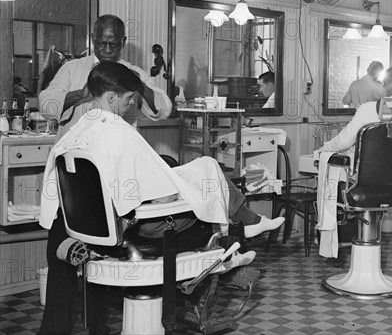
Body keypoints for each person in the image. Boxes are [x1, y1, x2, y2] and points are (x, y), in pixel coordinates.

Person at [38, 62, 284, 335]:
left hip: (84, 230)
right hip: (138, 231)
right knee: (207, 183)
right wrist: (177, 191)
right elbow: (164, 196)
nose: (131, 105)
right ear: (111, 98)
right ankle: (232, 245)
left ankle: (240, 234)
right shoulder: (118, 132)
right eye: (129, 99)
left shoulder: (75, 134)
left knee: (200, 174)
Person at [315, 67, 392, 257]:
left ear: (383, 85)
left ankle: (332, 238)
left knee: (330, 172)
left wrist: (323, 149)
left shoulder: (367, 110)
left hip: (362, 186)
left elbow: (344, 141)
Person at [39, 14, 172, 138]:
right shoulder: (71, 69)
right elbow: (45, 105)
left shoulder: (133, 73)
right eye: (102, 43)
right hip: (75, 153)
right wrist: (79, 95)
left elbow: (164, 109)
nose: (108, 50)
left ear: (123, 41)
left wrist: (140, 86)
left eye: (113, 44)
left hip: (115, 154)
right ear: (93, 39)